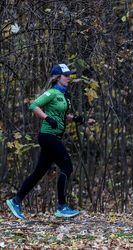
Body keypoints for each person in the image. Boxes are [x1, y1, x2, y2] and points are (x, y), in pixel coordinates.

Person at [6, 63, 95, 219]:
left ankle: (16, 200)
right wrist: (47, 118)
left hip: (54, 136)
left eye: (69, 75)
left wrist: (79, 119)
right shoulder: (52, 93)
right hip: (48, 136)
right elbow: (33, 105)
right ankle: (61, 206)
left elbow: (61, 116)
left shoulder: (63, 95)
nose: (69, 78)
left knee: (39, 172)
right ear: (58, 77)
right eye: (66, 75)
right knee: (67, 167)